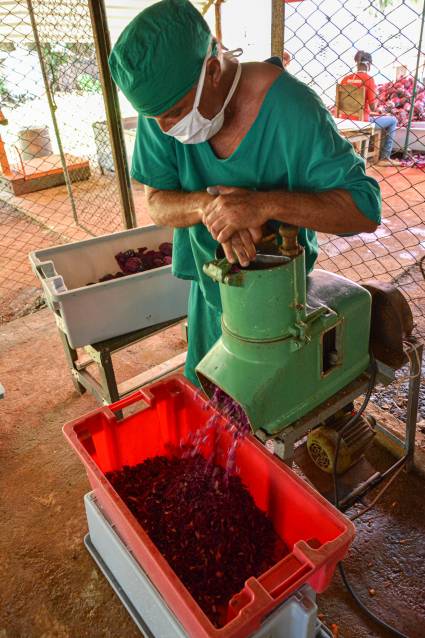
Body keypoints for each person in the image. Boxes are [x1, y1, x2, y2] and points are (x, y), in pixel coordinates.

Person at [109, 0, 381, 386]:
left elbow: (365, 210)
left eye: (175, 112)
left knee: (273, 407)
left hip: (280, 303)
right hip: (209, 292)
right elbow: (157, 202)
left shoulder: (293, 111)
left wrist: (263, 205)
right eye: (156, 119)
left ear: (214, 69)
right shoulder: (162, 108)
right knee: (211, 397)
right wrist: (211, 208)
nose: (166, 128)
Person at [340, 51, 400, 166]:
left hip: (345, 120)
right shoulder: (368, 79)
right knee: (393, 120)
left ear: (357, 63)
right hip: (362, 122)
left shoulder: (345, 79)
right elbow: (373, 107)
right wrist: (383, 103)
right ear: (368, 64)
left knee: (374, 117)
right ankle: (384, 158)